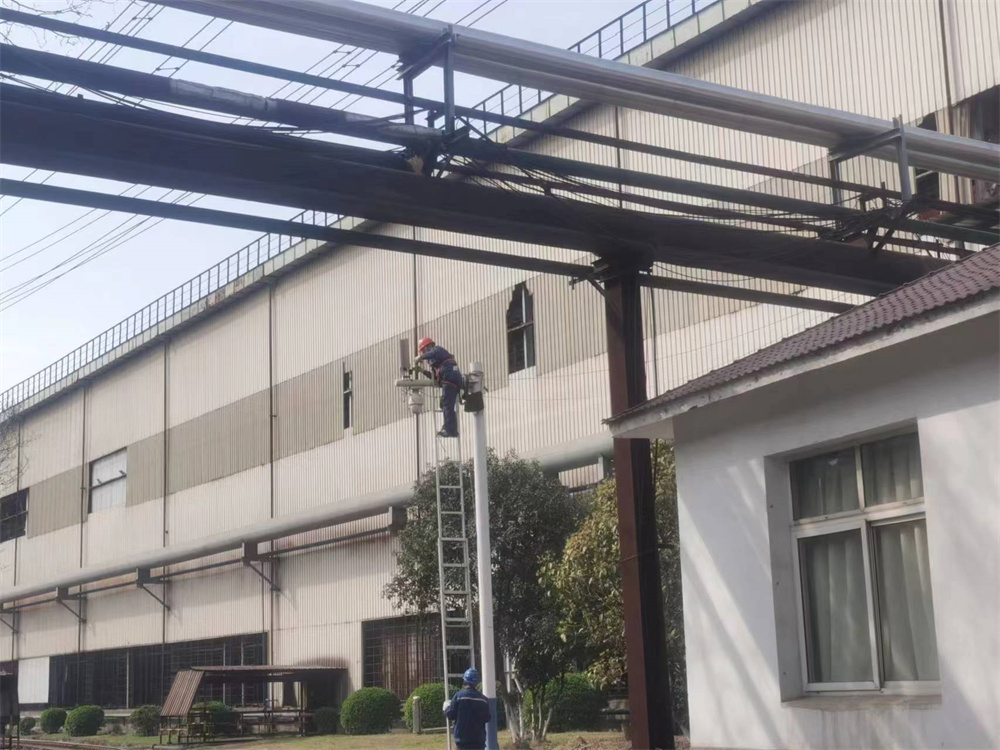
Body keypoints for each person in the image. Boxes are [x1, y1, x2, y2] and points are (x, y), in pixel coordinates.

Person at [415, 337, 464, 438]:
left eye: (423, 351)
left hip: (449, 378)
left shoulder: (438, 349)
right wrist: (422, 371)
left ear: (428, 347)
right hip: (451, 379)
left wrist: (420, 357)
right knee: (444, 404)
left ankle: (450, 430)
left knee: (447, 405)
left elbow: (433, 353)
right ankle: (450, 427)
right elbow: (435, 378)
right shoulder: (438, 363)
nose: (424, 353)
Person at [442, 667, 491, 750]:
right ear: (477, 682)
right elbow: (487, 718)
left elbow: (451, 714)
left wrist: (446, 708)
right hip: (479, 740)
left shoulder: (458, 696)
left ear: (465, 681)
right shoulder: (483, 699)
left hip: (462, 739)